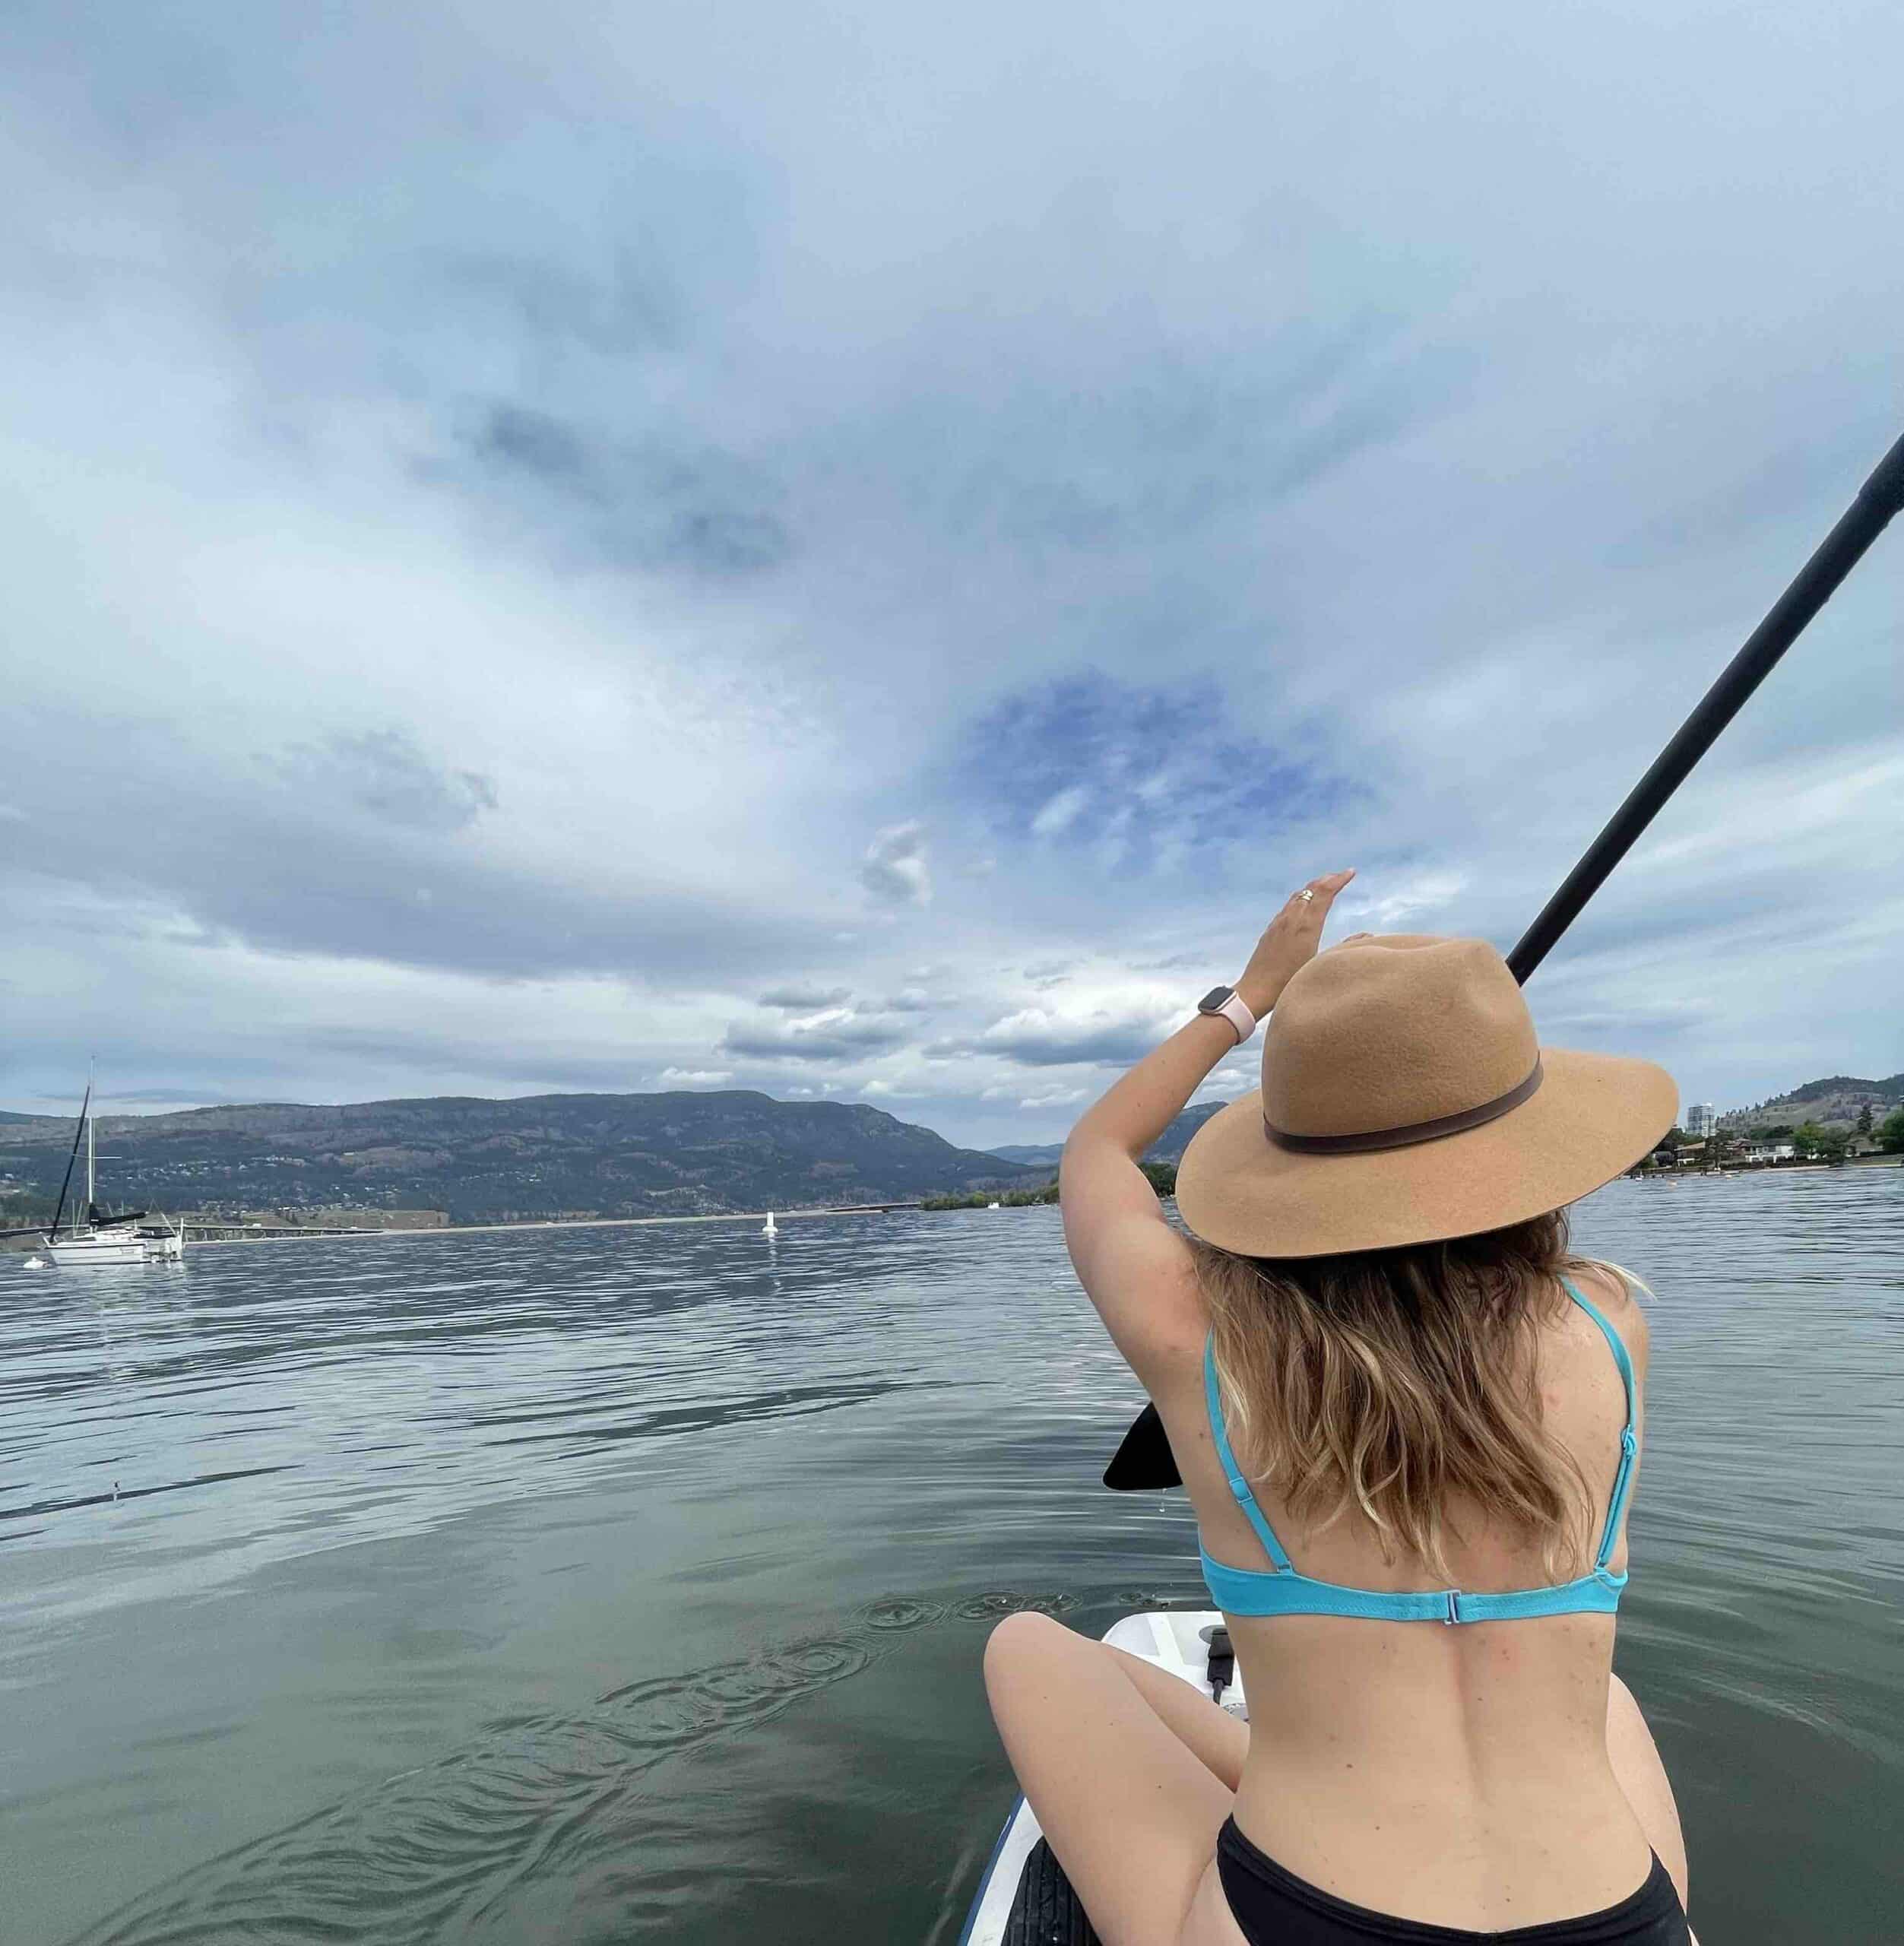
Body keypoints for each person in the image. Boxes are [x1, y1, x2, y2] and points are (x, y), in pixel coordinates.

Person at [983, 872, 1695, 1945]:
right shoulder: (1605, 1324)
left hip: (1301, 1920)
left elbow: (1097, 1152)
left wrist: (1251, 995)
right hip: (1620, 1924)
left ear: (1289, 1165)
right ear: (1533, 1150)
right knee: (1609, 1703)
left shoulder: (1192, 1332)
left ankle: (1263, 1772)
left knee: (1026, 1646)